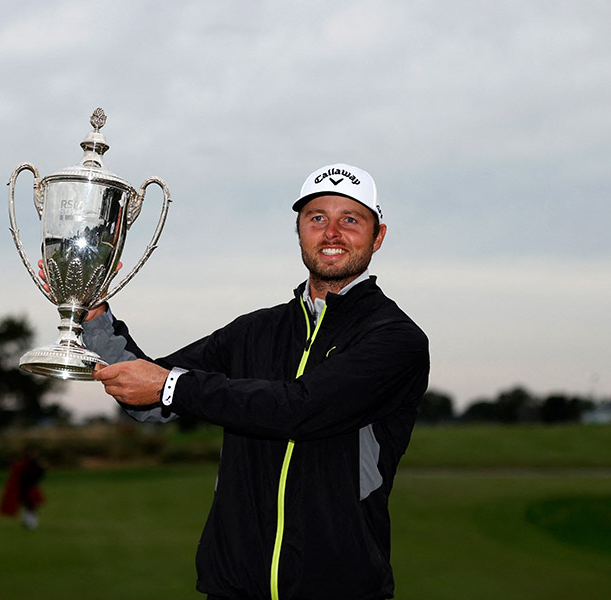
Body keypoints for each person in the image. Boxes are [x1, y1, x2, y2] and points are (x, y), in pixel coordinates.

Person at [83, 162, 430, 599]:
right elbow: (151, 395)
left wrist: (173, 385)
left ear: (378, 236)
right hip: (233, 586)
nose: (332, 232)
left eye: (351, 219)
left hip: (339, 587)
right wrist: (94, 319)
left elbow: (300, 409)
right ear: (300, 230)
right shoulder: (254, 331)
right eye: (317, 218)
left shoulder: (396, 339)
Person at [0, 445, 46, 530]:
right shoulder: (25, 464)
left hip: (30, 487)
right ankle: (29, 521)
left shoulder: (35, 464)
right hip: (24, 487)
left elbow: (40, 474)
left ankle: (30, 522)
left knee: (31, 505)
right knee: (28, 505)